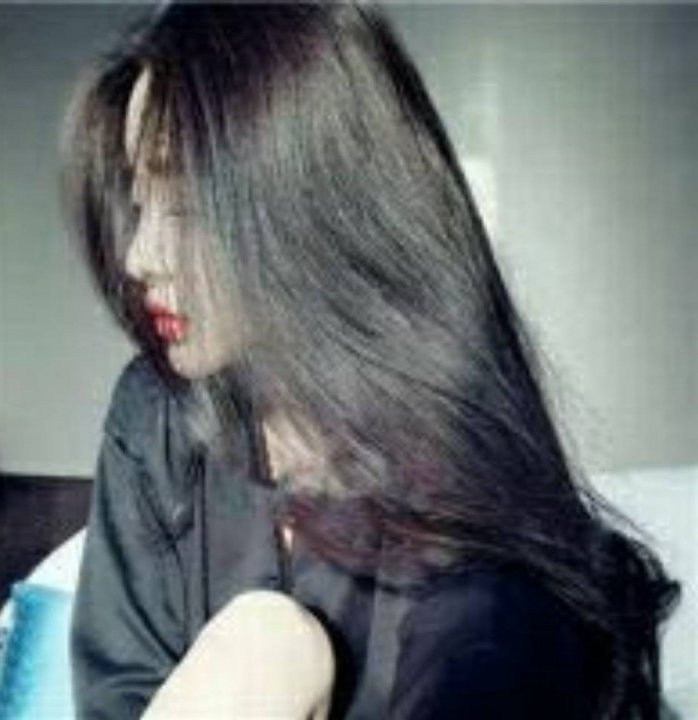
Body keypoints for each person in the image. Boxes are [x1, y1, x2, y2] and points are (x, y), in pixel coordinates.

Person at [59, 2, 681, 718]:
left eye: (186, 206)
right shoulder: (160, 416)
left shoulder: (484, 567)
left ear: (313, 198)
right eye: (140, 201)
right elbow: (118, 694)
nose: (139, 257)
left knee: (265, 644)